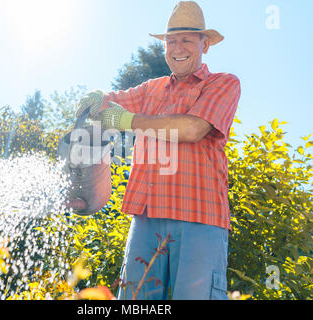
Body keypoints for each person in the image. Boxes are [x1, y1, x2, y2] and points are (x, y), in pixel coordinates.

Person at [75, 1, 241, 300]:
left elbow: (193, 128)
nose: (178, 47)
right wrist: (97, 98)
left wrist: (129, 120)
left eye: (187, 39)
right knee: (136, 301)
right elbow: (110, 104)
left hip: (199, 219)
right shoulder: (152, 89)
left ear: (205, 44)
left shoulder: (223, 83)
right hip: (146, 217)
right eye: (171, 41)